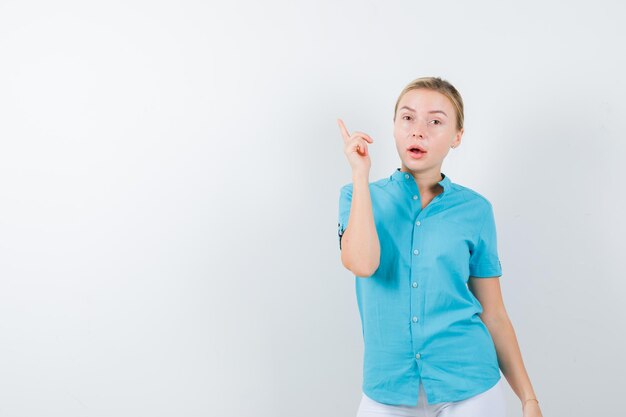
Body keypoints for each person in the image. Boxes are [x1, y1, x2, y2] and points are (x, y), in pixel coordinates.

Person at [337, 76, 544, 417]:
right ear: (393, 126)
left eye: (435, 121)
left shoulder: (476, 210)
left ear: (457, 137)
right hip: (387, 390)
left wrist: (528, 399)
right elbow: (362, 263)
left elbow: (493, 313)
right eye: (408, 118)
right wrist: (360, 174)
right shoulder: (357, 196)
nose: (418, 130)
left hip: (471, 388)